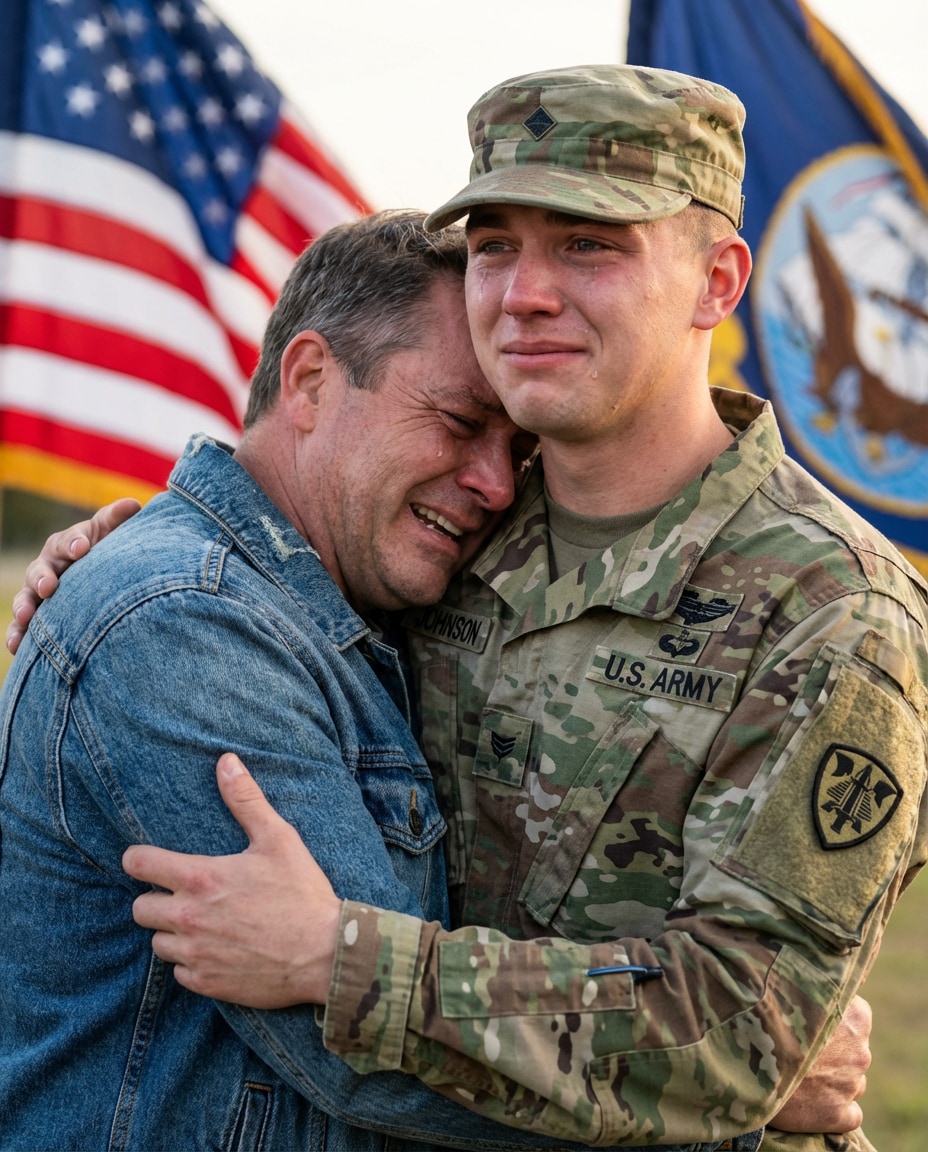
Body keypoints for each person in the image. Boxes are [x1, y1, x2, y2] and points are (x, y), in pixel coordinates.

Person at [5, 66, 897, 1151]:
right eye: (493, 247)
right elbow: (244, 581)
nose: (524, 292)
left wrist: (338, 959)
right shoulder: (456, 543)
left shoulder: (829, 608)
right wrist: (120, 568)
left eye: (589, 244)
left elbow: (740, 1038)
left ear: (716, 281)